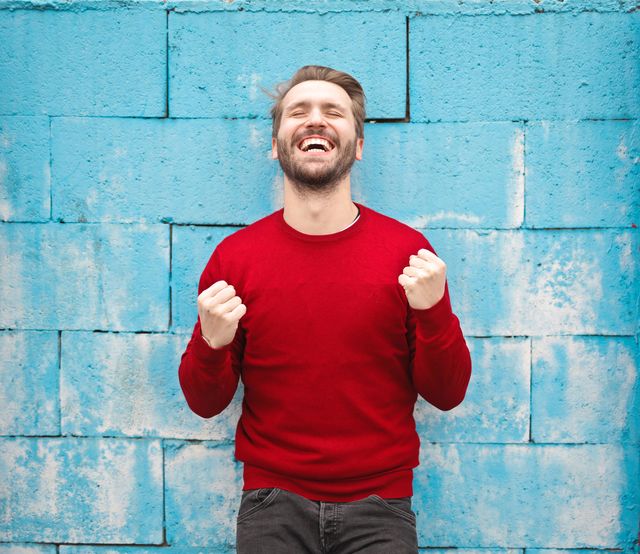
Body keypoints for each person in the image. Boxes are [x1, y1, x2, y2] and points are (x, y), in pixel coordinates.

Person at [178, 65, 472, 554]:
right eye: (299, 112)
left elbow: (447, 393)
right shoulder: (235, 259)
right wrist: (212, 343)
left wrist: (435, 312)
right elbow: (205, 403)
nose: (315, 120)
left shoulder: (408, 253)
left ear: (357, 146)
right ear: (277, 144)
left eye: (332, 112)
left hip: (382, 507)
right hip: (271, 505)